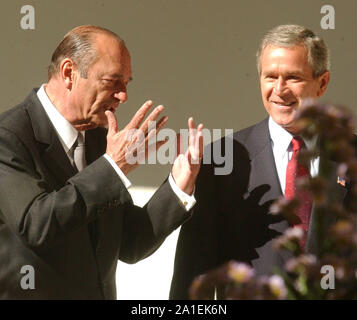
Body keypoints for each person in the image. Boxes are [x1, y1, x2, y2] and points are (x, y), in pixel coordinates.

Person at [0, 25, 204, 299]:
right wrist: (112, 168)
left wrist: (178, 187)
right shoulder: (9, 137)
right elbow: (36, 224)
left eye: (126, 83)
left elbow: (130, 242)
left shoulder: (99, 139)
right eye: (112, 82)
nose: (123, 96)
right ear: (69, 73)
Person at [170, 24, 357, 299]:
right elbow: (193, 274)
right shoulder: (221, 160)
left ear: (323, 82)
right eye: (270, 77)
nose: (279, 90)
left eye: (293, 77)